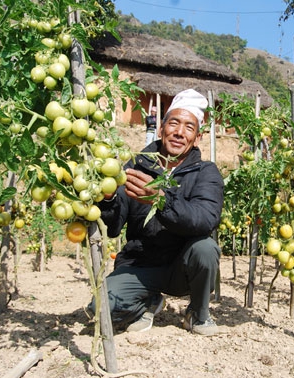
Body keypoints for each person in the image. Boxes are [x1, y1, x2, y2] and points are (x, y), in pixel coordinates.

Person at [92, 89, 224, 336]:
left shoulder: (206, 173)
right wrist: (107, 198)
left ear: (197, 136)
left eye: (188, 127)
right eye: (173, 123)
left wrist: (161, 201)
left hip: (181, 268)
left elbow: (205, 219)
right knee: (100, 309)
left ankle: (197, 312)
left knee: (205, 248)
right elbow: (112, 226)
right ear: (162, 128)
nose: (179, 132)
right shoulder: (135, 165)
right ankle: (148, 301)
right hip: (140, 265)